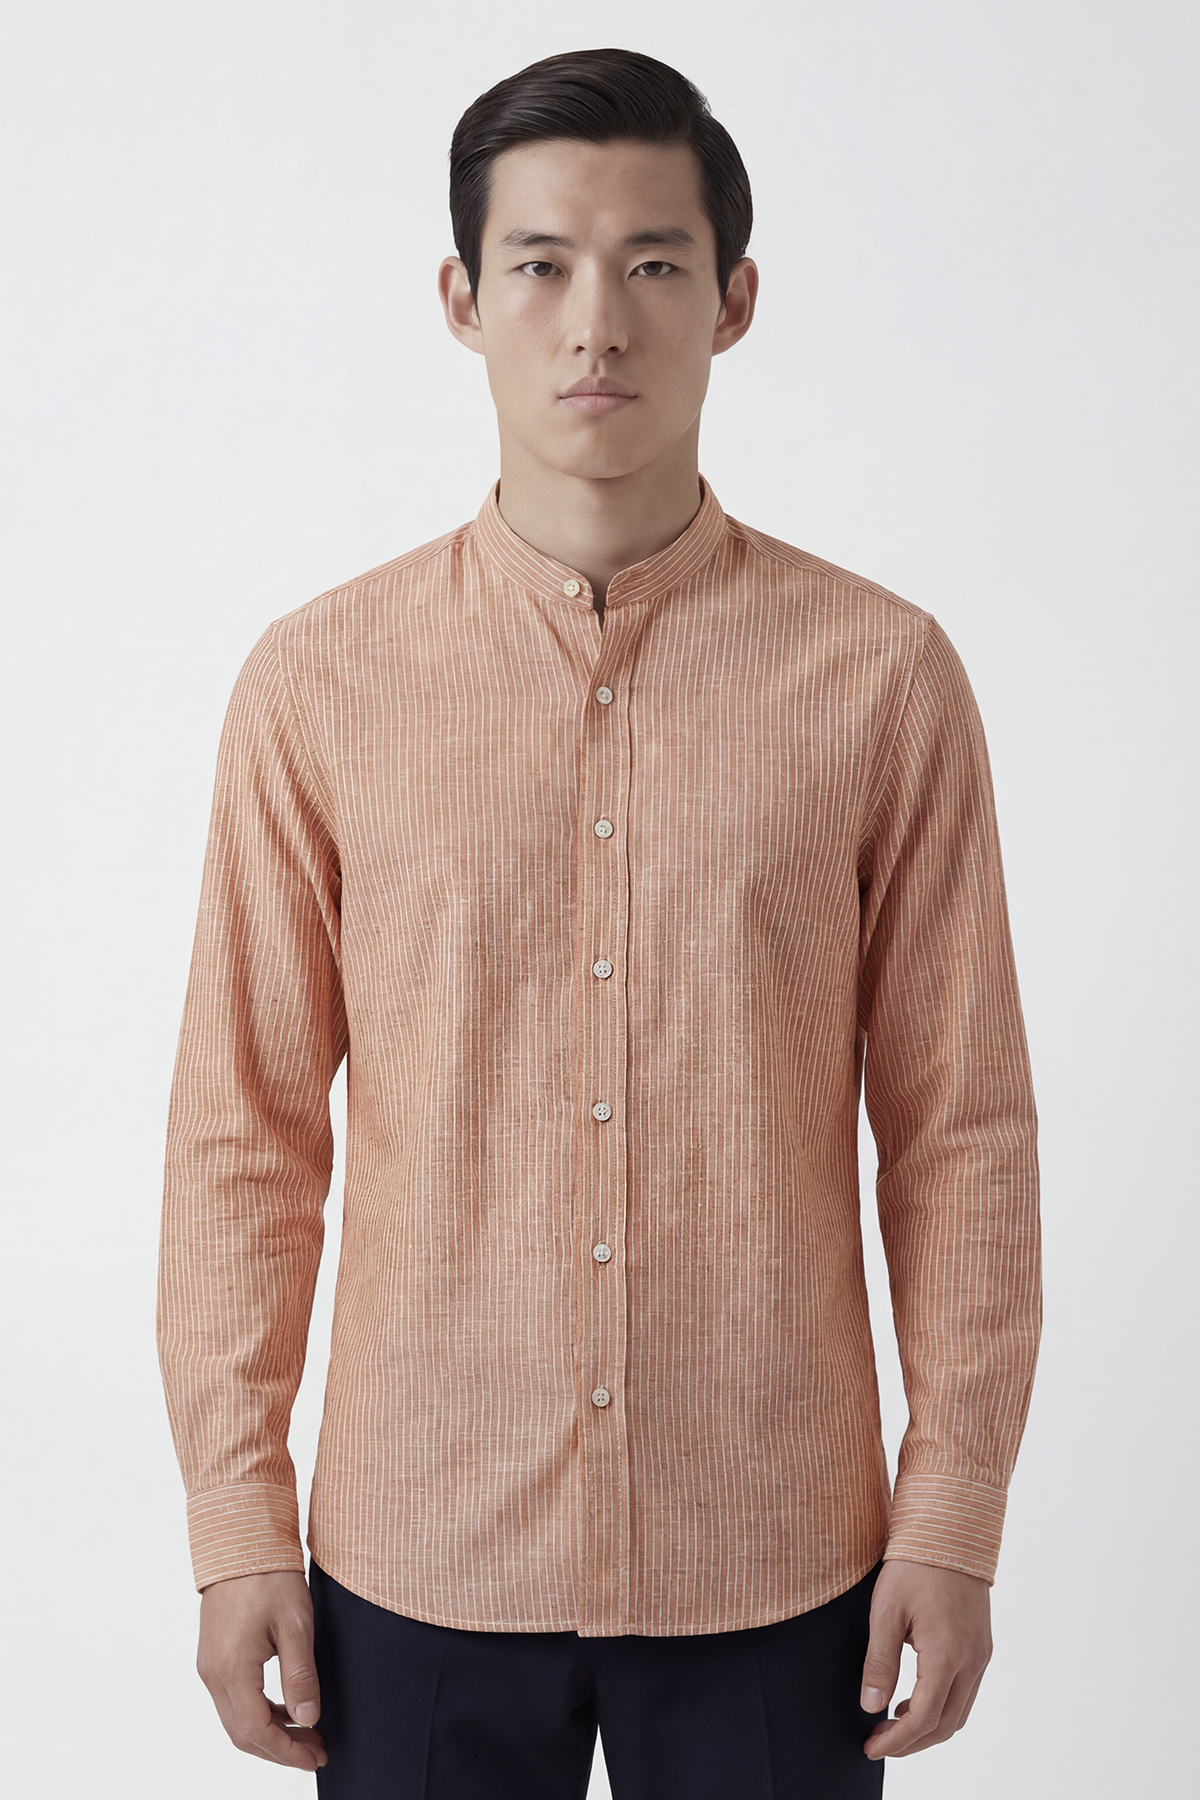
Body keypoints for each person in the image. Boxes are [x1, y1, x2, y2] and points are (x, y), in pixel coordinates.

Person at [157, 46, 1041, 1799]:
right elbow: (241, 1135)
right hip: (415, 1556)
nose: (596, 325)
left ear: (734, 302)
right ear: (461, 299)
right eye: (542, 265)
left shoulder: (884, 680)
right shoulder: (318, 686)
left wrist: (953, 1510)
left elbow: (961, 1134)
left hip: (777, 1558)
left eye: (652, 264)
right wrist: (234, 1515)